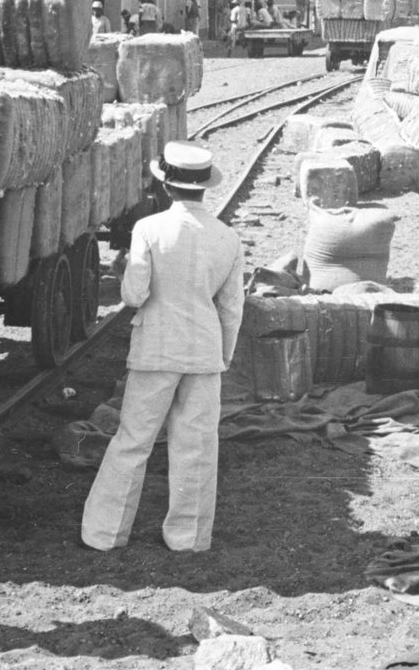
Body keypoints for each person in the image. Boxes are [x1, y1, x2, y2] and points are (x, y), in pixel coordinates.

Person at [82, 142, 244, 552]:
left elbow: (134, 295)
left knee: (133, 440)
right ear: (204, 187)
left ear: (166, 186)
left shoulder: (148, 229)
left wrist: (123, 272)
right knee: (197, 447)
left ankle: (105, 534)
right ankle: (188, 538)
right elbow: (231, 308)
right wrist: (222, 355)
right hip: (204, 351)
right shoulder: (228, 238)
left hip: (156, 349)